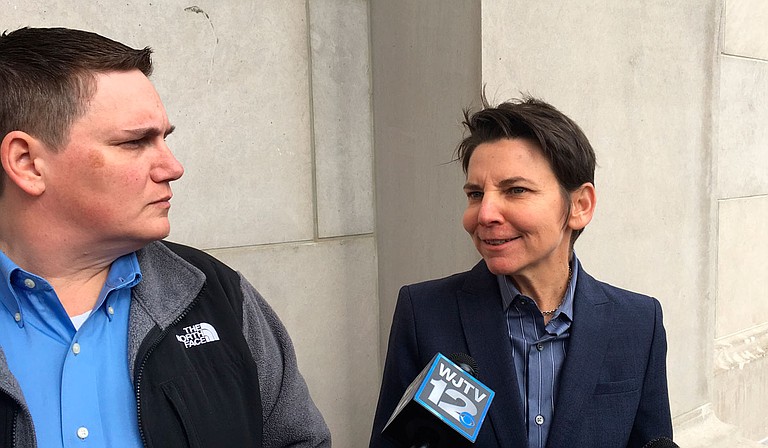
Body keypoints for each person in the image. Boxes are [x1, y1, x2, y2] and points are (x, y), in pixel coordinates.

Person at [0, 27, 330, 448]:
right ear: (27, 163)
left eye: (163, 139)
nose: (172, 167)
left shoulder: (219, 296)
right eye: (136, 142)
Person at [370, 97, 672, 448]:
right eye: (475, 193)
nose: (484, 214)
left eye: (516, 190)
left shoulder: (637, 323)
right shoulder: (424, 313)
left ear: (580, 205)